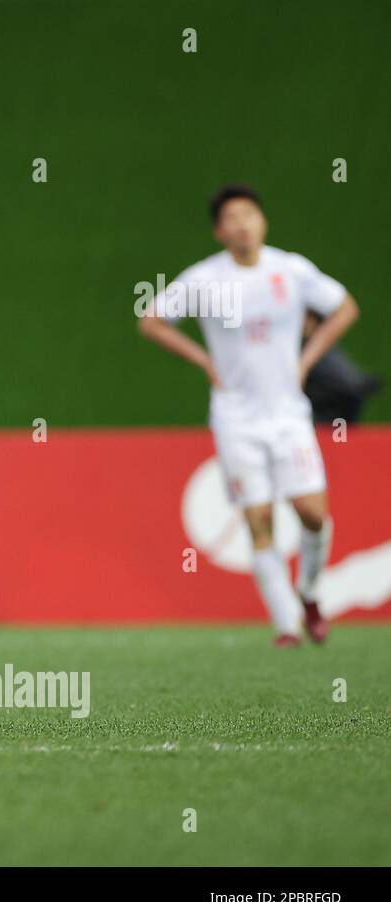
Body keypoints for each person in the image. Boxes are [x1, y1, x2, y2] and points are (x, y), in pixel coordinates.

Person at [138, 183, 360, 647]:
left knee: (312, 513)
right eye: (233, 218)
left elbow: (344, 308)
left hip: (288, 415)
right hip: (236, 418)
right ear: (220, 231)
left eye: (250, 215)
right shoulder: (203, 279)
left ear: (263, 221)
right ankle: (286, 626)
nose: (243, 224)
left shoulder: (291, 270)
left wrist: (307, 359)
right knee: (258, 519)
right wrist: (202, 360)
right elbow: (151, 319)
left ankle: (310, 590)